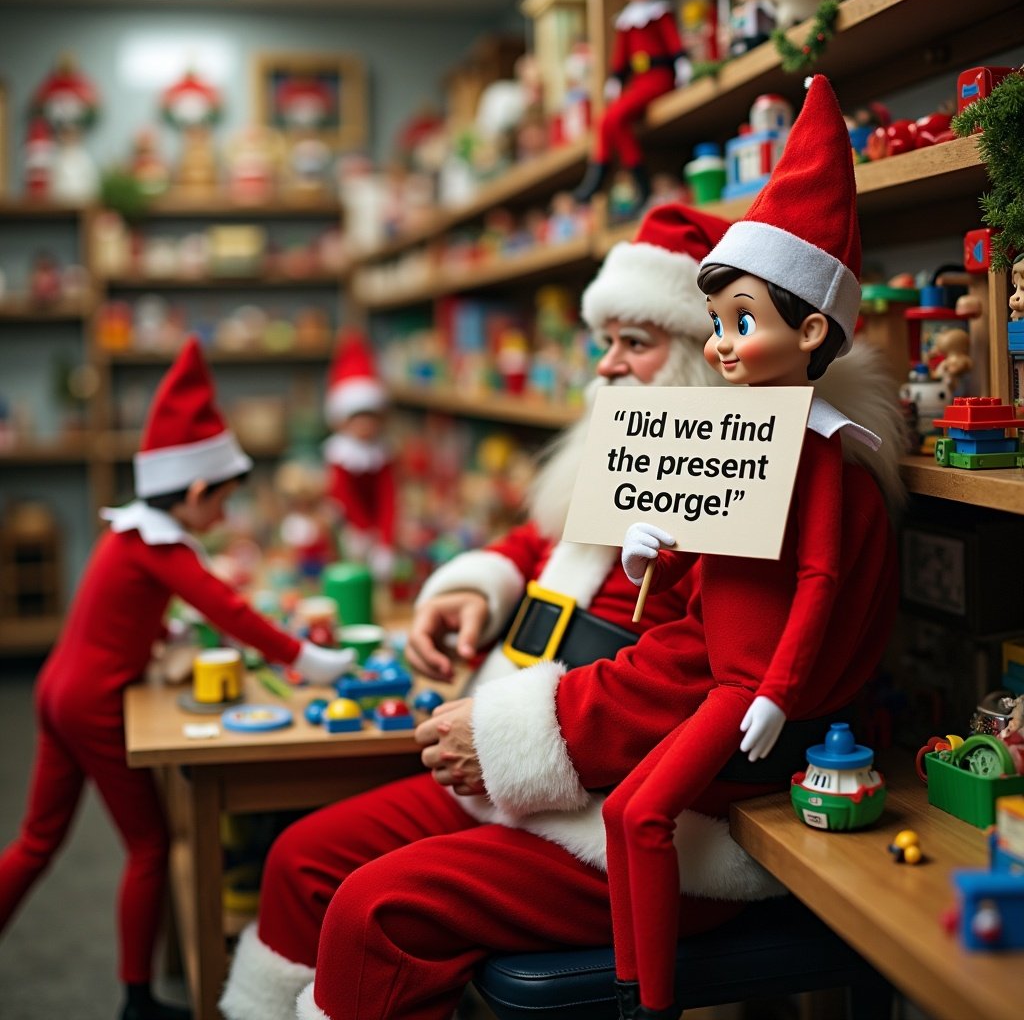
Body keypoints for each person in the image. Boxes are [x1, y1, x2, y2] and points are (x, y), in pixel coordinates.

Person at [219, 209, 904, 1020]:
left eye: (634, 343)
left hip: (667, 811)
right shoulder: (643, 444)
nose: (607, 365)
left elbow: (710, 670)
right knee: (303, 859)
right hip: (546, 770)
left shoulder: (773, 472)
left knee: (378, 911)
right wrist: (478, 587)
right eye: (603, 340)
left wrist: (514, 737)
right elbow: (553, 542)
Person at [604, 74, 898, 1019]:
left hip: (744, 687)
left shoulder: (823, 454)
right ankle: (629, 983)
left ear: (811, 330)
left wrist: (776, 693)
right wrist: (651, 546)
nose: (723, 346)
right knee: (623, 811)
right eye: (719, 325)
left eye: (741, 323)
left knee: (643, 814)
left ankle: (655, 1004)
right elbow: (714, 539)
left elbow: (820, 579)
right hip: (713, 671)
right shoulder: (730, 431)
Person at [0, 338, 355, 1020]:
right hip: (92, 704)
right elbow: (228, 608)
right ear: (194, 493)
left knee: (37, 841)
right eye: (221, 504)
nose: (222, 518)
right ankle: (135, 998)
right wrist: (304, 661)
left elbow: (116, 612)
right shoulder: (163, 546)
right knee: (150, 844)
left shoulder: (130, 535)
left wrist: (158, 634)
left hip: (56, 689)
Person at [573, 0, 691, 205]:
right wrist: (616, 77)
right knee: (606, 120)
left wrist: (681, 61)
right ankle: (612, 174)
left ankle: (609, 174)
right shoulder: (626, 21)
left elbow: (672, 40)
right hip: (638, 79)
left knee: (615, 117)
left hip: (658, 77)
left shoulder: (659, 12)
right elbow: (622, 55)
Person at [322, 326, 397, 581]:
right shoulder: (340, 455)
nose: (365, 427)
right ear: (343, 420)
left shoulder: (382, 454)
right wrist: (363, 530)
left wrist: (385, 538)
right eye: (358, 419)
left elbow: (388, 497)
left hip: (374, 529)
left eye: (371, 418)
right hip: (349, 526)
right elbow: (342, 495)